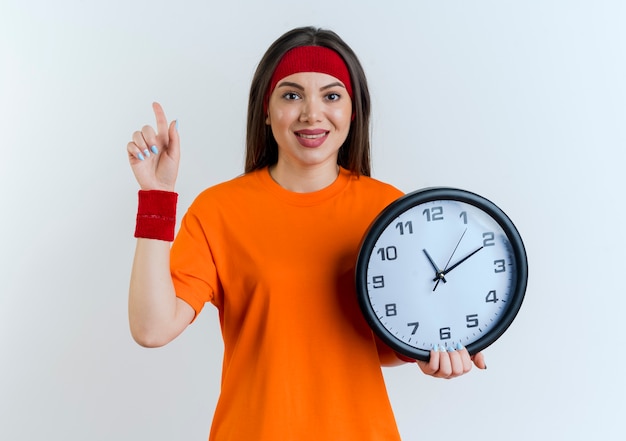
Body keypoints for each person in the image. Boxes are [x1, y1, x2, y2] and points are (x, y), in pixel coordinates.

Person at [126, 26, 486, 441]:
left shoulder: (390, 211)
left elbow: (389, 341)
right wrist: (157, 197)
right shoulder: (219, 210)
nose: (312, 114)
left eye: (332, 96)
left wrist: (430, 354)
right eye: (292, 95)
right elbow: (152, 329)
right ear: (266, 109)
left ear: (353, 111)